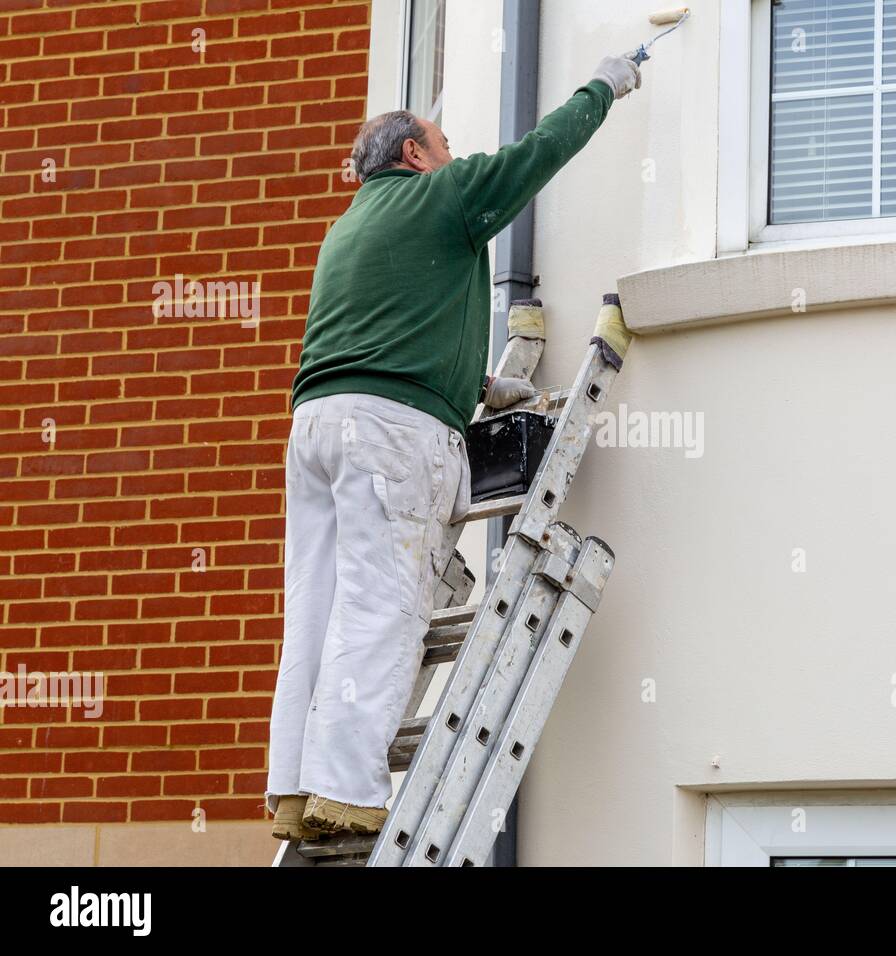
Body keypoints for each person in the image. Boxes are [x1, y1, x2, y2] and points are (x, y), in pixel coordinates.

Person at [266, 54, 643, 840]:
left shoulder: (347, 231)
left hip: (317, 429)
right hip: (392, 435)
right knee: (382, 605)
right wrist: (604, 86)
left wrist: (475, 385)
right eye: (442, 141)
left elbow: (390, 330)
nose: (452, 152)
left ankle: (295, 789)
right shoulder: (443, 195)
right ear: (414, 155)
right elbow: (536, 154)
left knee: (317, 605)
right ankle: (348, 789)